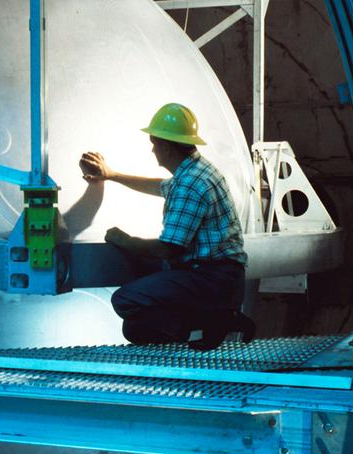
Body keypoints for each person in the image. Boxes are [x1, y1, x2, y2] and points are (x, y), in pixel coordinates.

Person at [80, 102, 255, 351]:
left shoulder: (190, 184)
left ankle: (217, 319)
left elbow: (168, 249)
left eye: (154, 143)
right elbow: (160, 186)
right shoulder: (196, 170)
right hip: (218, 276)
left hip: (211, 279)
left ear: (166, 146)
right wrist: (111, 174)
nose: (152, 150)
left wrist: (124, 240)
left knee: (125, 301)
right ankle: (215, 318)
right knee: (134, 328)